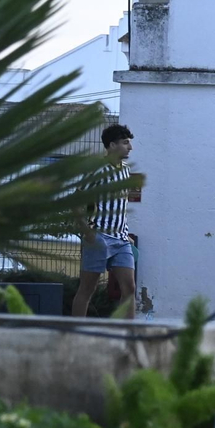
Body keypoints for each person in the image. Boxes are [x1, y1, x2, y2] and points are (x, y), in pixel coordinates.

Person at [74, 124, 138, 319]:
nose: (130, 147)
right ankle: (75, 331)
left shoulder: (126, 171)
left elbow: (120, 205)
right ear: (111, 145)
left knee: (130, 288)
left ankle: (129, 333)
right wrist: (87, 232)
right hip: (98, 237)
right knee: (87, 288)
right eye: (125, 143)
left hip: (121, 240)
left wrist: (125, 232)